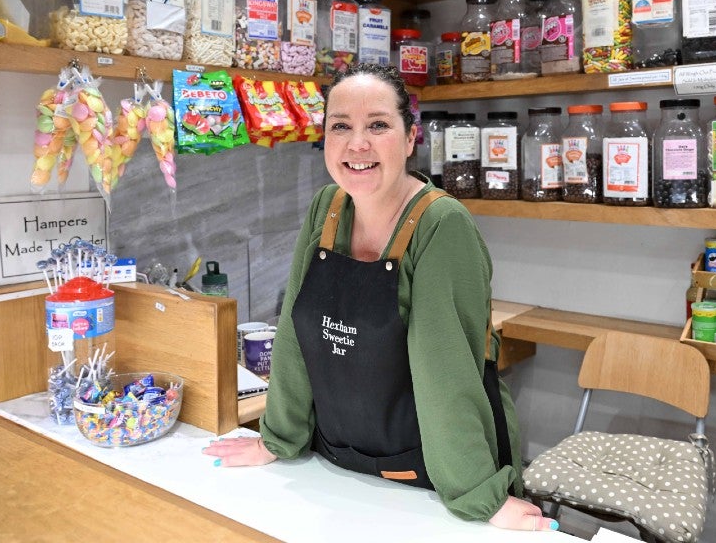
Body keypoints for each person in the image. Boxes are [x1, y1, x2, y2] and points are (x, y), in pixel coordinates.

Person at [204, 63, 557, 532]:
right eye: (341, 126)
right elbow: (294, 328)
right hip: (338, 468)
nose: (357, 144)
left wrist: (477, 496)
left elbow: (445, 373)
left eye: (378, 125)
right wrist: (278, 439)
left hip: (434, 482)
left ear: (411, 138)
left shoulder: (440, 226)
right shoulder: (326, 209)